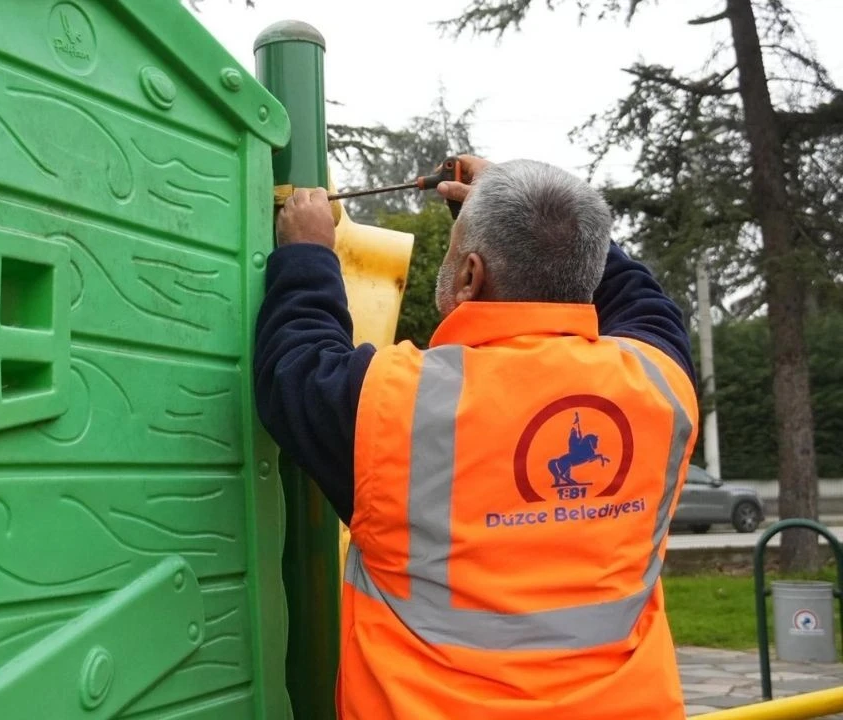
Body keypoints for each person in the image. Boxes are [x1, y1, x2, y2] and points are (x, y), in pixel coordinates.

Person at [254, 155, 699, 719]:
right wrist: (555, 226)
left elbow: (293, 363)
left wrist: (306, 253)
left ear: (469, 275)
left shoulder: (396, 404)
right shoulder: (662, 384)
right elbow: (643, 299)